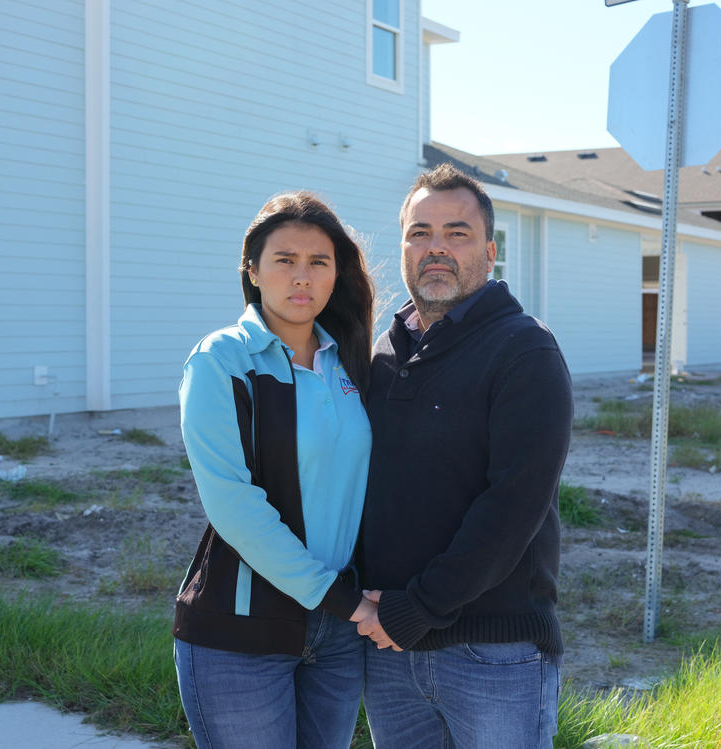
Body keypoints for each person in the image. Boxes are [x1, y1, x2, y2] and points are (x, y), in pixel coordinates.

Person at [356, 163, 574, 749]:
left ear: (490, 251)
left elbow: (511, 508)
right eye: (419, 232)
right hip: (392, 649)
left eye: (457, 233)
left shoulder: (524, 350)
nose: (436, 249)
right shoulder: (384, 353)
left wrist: (417, 608)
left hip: (493, 653)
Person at [173, 191, 377, 748]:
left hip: (339, 629)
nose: (302, 277)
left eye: (319, 262)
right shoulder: (221, 361)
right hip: (241, 631)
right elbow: (235, 506)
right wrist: (339, 598)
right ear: (253, 270)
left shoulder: (353, 362)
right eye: (285, 260)